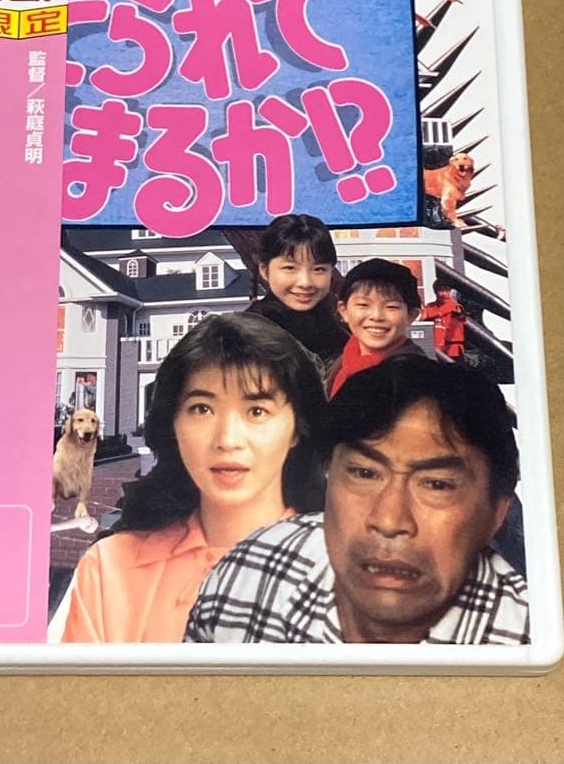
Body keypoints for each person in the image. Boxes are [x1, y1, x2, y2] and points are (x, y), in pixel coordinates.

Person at [186, 356, 529, 645]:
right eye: (364, 473)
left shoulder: (528, 639)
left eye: (437, 485)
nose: (389, 521)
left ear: (497, 514)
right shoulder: (249, 570)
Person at [60, 313, 327, 643]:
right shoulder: (110, 569)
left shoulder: (343, 568)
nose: (228, 439)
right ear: (173, 423)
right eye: (202, 409)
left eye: (256, 412)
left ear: (298, 427)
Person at [247, 213, 347, 370]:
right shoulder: (242, 336)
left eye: (319, 269)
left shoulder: (347, 329)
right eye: (290, 268)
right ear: (264, 270)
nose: (305, 282)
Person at [327, 258, 425, 397]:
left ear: (411, 315)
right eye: (363, 305)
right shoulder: (337, 364)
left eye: (391, 307)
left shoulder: (415, 376)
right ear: (344, 311)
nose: (376, 316)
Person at [422, 281, 467, 359]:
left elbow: (460, 315)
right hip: (434, 348)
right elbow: (422, 318)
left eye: (447, 290)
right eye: (441, 290)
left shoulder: (456, 306)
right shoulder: (430, 306)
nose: (444, 294)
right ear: (435, 292)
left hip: (452, 349)